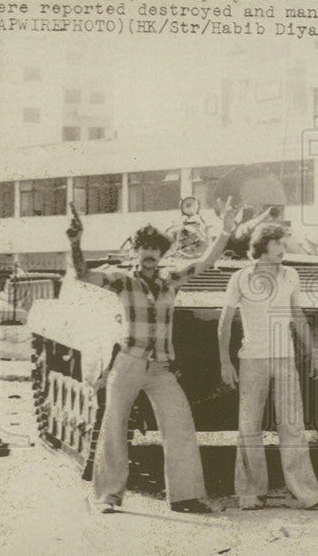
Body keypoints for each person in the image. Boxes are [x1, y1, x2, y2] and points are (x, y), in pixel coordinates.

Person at [67, 201, 239, 514]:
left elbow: (206, 260)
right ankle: (108, 496)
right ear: (135, 251)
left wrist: (226, 228)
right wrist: (75, 241)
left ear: (162, 254)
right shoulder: (122, 281)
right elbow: (81, 273)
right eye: (143, 248)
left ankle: (185, 497)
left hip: (160, 370)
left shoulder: (171, 280)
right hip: (128, 364)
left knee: (180, 426)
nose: (149, 254)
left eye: (154, 249)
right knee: (115, 426)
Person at [218, 222, 318, 511]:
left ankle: (307, 494)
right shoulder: (240, 278)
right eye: (278, 243)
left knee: (292, 426)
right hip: (251, 360)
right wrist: (225, 362)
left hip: (285, 359)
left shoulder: (291, 274)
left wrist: (313, 352)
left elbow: (298, 315)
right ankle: (251, 494)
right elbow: (225, 323)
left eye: (284, 243)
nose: (283, 249)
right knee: (249, 427)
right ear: (263, 244)